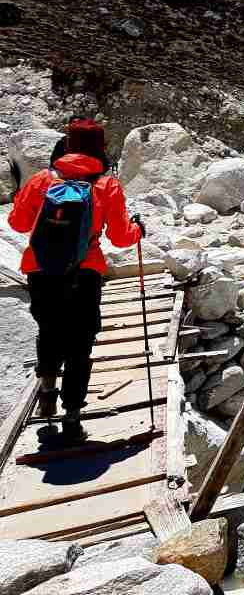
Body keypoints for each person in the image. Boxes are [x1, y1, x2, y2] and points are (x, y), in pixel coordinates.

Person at [8, 118, 144, 439]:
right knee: (80, 343)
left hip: (40, 270)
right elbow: (123, 238)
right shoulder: (106, 185)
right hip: (85, 272)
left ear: (67, 145)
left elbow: (16, 223)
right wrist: (139, 229)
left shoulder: (44, 179)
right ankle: (72, 418)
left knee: (50, 329)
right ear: (99, 147)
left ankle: (46, 391)